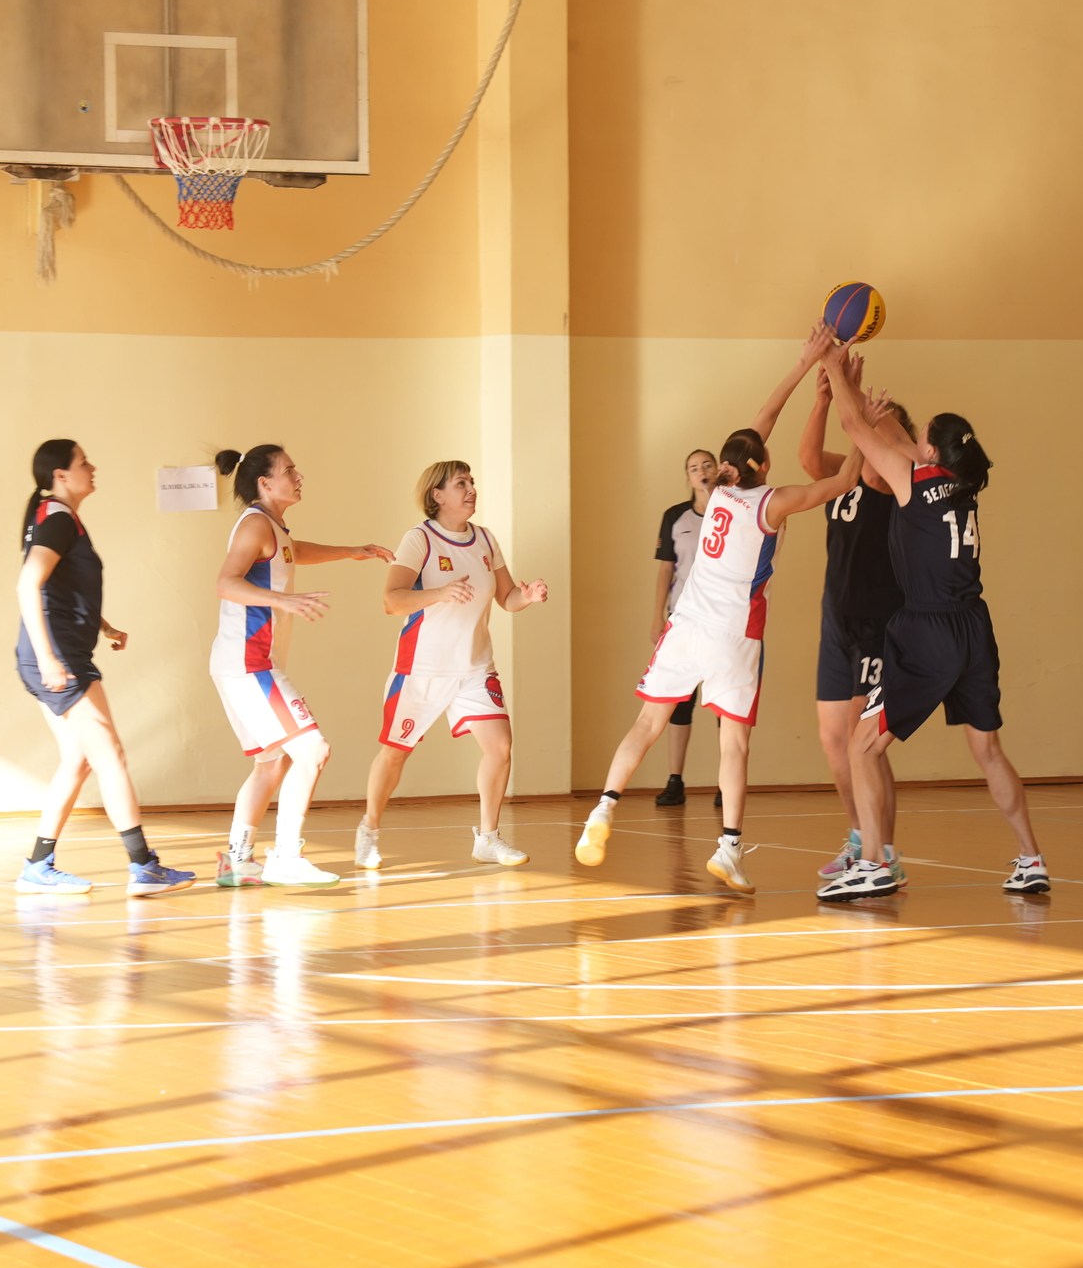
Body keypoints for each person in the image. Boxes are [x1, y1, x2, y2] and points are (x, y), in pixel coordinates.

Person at [573, 326, 860, 894]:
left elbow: (764, 417)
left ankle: (602, 809)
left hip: (686, 625)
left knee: (647, 724)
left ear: (729, 466)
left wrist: (805, 364)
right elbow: (846, 479)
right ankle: (728, 849)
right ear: (762, 463)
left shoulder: (720, 492)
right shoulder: (774, 502)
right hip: (735, 634)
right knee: (733, 743)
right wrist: (858, 413)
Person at [815, 344, 1051, 900]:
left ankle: (873, 863)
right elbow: (894, 440)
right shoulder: (959, 483)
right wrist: (870, 405)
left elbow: (854, 428)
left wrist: (832, 367)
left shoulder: (912, 480)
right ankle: (1031, 858)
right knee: (988, 750)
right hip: (974, 627)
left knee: (861, 745)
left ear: (929, 450)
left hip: (928, 630)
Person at [11, 439, 196, 898]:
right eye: (83, 462)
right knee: (110, 755)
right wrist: (50, 658)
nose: (92, 467)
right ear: (60, 475)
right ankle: (144, 866)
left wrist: (103, 625)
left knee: (79, 760)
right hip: (58, 658)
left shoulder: (57, 517)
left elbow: (62, 590)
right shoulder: (57, 519)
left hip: (54, 653)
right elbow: (28, 585)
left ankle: (37, 865)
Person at [209, 444, 393, 888]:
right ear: (265, 483)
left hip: (244, 664)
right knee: (312, 750)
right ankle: (286, 856)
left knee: (272, 764)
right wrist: (282, 600)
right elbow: (225, 583)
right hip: (248, 664)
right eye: (289, 470)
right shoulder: (255, 524)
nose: (298, 476)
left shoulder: (272, 527)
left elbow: (292, 552)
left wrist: (350, 551)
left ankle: (237, 860)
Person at [356, 461, 552, 871]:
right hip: (421, 669)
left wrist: (529, 596)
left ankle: (488, 838)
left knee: (500, 747)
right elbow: (392, 601)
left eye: (472, 482)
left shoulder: (486, 539)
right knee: (394, 754)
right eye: (461, 483)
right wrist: (439, 593)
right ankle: (369, 831)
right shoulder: (419, 539)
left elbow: (507, 597)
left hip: (475, 669)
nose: (471, 489)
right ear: (437, 495)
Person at [798, 363, 904, 879]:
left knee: (865, 740)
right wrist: (825, 398)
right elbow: (808, 459)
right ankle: (861, 838)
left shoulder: (890, 479)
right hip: (836, 618)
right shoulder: (846, 472)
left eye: (875, 420)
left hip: (877, 623)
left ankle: (884, 855)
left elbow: (872, 463)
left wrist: (856, 400)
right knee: (832, 740)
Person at [648, 448, 720, 806]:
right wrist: (657, 616)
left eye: (707, 465)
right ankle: (675, 780)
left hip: (721, 621)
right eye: (694, 468)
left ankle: (726, 783)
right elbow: (666, 569)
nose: (701, 471)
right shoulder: (675, 517)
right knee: (680, 702)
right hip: (683, 620)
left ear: (718, 469)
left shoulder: (732, 512)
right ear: (688, 477)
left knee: (723, 703)